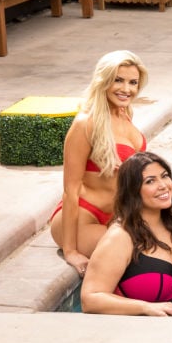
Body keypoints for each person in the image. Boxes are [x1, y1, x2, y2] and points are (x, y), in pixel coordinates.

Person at [51, 50, 149, 276]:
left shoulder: (125, 114)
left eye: (133, 82)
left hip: (117, 215)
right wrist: (70, 251)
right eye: (118, 80)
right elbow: (70, 190)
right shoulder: (86, 123)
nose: (126, 89)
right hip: (83, 216)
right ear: (103, 80)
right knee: (137, 257)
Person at [81, 152, 172, 316]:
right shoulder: (120, 237)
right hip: (147, 325)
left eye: (164, 176)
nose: (163, 185)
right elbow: (90, 299)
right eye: (150, 181)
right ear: (132, 191)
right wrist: (146, 307)